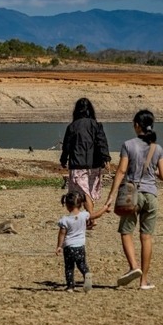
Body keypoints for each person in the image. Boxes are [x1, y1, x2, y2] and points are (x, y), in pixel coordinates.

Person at [104, 109, 163, 289]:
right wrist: (152, 170)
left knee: (126, 232)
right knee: (146, 237)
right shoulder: (158, 148)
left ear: (137, 125)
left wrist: (111, 196)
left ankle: (134, 266)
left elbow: (122, 171)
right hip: (151, 195)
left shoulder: (128, 145)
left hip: (132, 195)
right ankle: (144, 281)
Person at [59, 97, 112, 229]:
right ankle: (90, 220)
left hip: (78, 163)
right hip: (94, 164)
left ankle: (91, 218)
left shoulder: (72, 126)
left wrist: (63, 159)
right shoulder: (96, 125)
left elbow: (67, 145)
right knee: (88, 193)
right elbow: (102, 142)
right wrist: (106, 158)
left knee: (84, 193)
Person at [55, 191, 106, 292]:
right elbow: (95, 215)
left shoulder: (65, 220)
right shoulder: (84, 215)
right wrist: (104, 208)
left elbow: (62, 234)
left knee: (69, 267)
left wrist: (59, 246)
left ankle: (70, 286)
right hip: (80, 246)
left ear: (67, 206)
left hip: (69, 247)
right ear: (81, 204)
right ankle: (86, 274)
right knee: (82, 264)